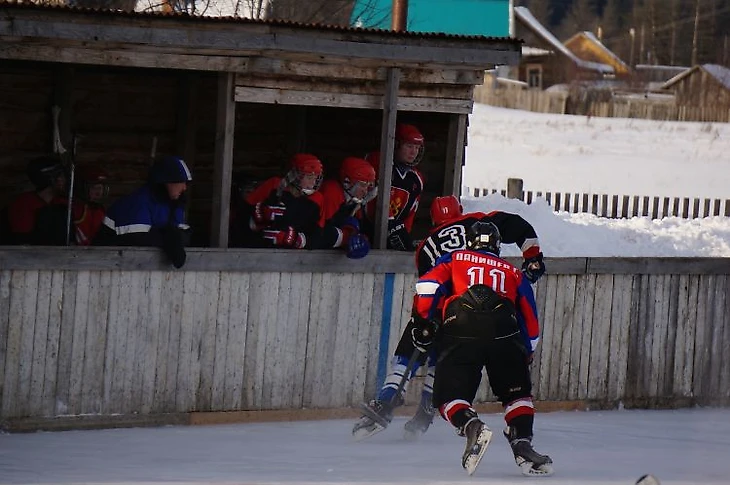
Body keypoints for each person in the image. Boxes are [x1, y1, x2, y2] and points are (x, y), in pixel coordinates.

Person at [353, 195, 546, 441]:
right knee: (445, 358)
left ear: (433, 220)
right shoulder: (474, 221)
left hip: (443, 300)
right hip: (475, 310)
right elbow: (519, 226)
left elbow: (427, 284)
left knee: (413, 347)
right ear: (461, 211)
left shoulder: (425, 246)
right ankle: (426, 408)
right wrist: (533, 257)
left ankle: (386, 398)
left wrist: (422, 319)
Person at [411, 221, 553, 476]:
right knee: (517, 395)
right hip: (505, 332)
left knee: (447, 396)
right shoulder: (512, 272)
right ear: (497, 246)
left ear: (471, 242)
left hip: (460, 328)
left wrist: (422, 321)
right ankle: (522, 443)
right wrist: (527, 351)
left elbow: (427, 286)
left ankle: (471, 425)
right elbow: (530, 319)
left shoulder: (454, 258)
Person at [94, 155, 192, 268]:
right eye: (181, 182)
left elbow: (184, 235)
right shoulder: (137, 203)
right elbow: (136, 240)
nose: (184, 187)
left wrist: (171, 237)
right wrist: (168, 237)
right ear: (167, 181)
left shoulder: (174, 205)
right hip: (104, 269)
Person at [230, 153, 326, 249]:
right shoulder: (273, 186)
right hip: (258, 252)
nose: (313, 183)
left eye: (316, 178)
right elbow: (241, 215)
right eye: (309, 177)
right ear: (294, 175)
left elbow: (318, 236)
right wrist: (258, 218)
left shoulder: (318, 199)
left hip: (297, 259)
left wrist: (297, 240)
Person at [365, 123, 425, 251]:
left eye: (417, 147)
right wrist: (391, 223)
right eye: (409, 146)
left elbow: (409, 215)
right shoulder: (377, 161)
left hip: (391, 235)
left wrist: (403, 235)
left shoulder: (417, 179)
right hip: (365, 230)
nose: (414, 152)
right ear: (396, 145)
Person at [320, 156, 377, 259]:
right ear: (347, 182)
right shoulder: (332, 191)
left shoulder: (354, 198)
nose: (366, 191)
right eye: (363, 185)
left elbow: (360, 225)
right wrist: (347, 237)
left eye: (369, 186)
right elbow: (323, 231)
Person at [6, 155, 71, 245]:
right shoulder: (24, 204)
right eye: (61, 176)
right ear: (52, 179)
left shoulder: (62, 203)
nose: (64, 180)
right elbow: (22, 242)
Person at [72, 166, 109, 246]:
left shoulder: (99, 210)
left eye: (101, 188)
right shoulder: (76, 210)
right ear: (82, 188)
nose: (99, 193)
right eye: (94, 188)